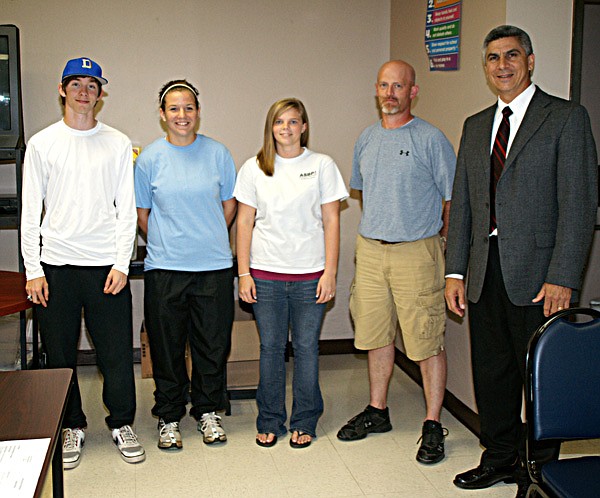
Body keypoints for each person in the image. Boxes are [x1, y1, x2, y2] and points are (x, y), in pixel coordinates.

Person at [445, 25, 598, 497]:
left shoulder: (566, 118)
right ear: (486, 66)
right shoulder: (475, 126)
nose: (502, 65)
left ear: (530, 61)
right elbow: (464, 204)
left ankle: (537, 473)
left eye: (512, 55)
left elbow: (579, 203)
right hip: (484, 272)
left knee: (539, 374)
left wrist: (563, 277)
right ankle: (498, 458)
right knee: (492, 373)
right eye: (493, 58)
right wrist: (454, 270)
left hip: (539, 276)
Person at [20, 57, 144, 468]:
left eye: (92, 85)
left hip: (105, 266)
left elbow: (126, 210)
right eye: (77, 84)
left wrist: (122, 264)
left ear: (100, 93)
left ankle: (121, 422)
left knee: (114, 354)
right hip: (56, 267)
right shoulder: (42, 143)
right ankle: (70, 424)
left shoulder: (118, 142)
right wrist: (34, 269)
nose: (84, 92)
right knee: (59, 355)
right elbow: (29, 211)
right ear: (62, 89)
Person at [336, 60, 456, 465]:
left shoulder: (430, 139)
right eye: (384, 86)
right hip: (371, 250)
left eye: (398, 87)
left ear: (412, 92)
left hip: (416, 251)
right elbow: (369, 194)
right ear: (376, 90)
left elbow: (451, 199)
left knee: (425, 340)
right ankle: (377, 410)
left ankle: (433, 423)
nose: (390, 93)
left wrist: (439, 240)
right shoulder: (366, 139)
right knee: (375, 334)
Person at [235, 98, 348, 448]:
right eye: (279, 122)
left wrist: (330, 273)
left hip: (310, 276)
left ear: (304, 127)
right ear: (271, 127)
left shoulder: (322, 165)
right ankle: (270, 420)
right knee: (270, 348)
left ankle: (305, 420)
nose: (286, 128)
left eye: (293, 121)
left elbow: (331, 221)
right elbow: (244, 222)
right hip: (265, 275)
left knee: (306, 348)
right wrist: (243, 274)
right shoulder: (254, 168)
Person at [134, 79, 236, 449]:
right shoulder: (148, 159)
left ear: (198, 112)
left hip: (213, 267)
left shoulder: (218, 153)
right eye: (174, 108)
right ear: (162, 115)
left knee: (212, 345)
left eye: (189, 107)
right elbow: (142, 213)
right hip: (165, 268)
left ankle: (208, 412)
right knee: (167, 346)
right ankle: (169, 416)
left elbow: (228, 205)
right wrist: (171, 240)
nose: (182, 115)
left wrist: (203, 236)